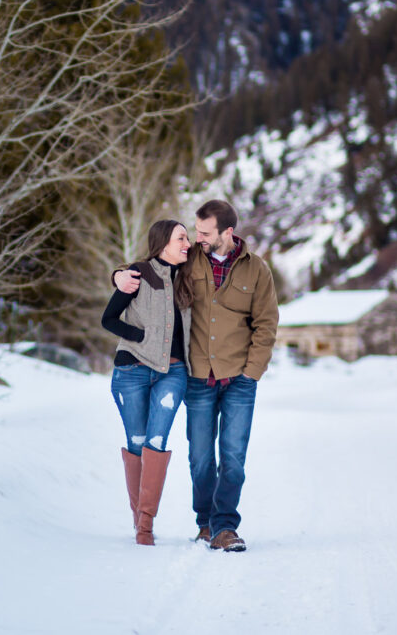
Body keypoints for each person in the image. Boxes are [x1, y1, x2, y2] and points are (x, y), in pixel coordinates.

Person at [113, 200, 277, 552]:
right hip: (198, 378)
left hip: (239, 379)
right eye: (195, 232)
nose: (197, 238)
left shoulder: (256, 270)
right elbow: (151, 264)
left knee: (233, 458)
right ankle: (205, 522)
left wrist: (252, 372)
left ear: (227, 232)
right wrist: (118, 275)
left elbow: (266, 323)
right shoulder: (190, 261)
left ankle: (224, 527)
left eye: (204, 232)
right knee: (201, 458)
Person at [100, 219, 192, 546]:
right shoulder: (138, 274)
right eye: (181, 238)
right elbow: (108, 319)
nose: (188, 244)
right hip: (132, 371)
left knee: (156, 440)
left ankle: (146, 526)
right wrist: (141, 337)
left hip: (173, 372)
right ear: (163, 242)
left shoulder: (189, 277)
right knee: (137, 442)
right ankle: (138, 519)